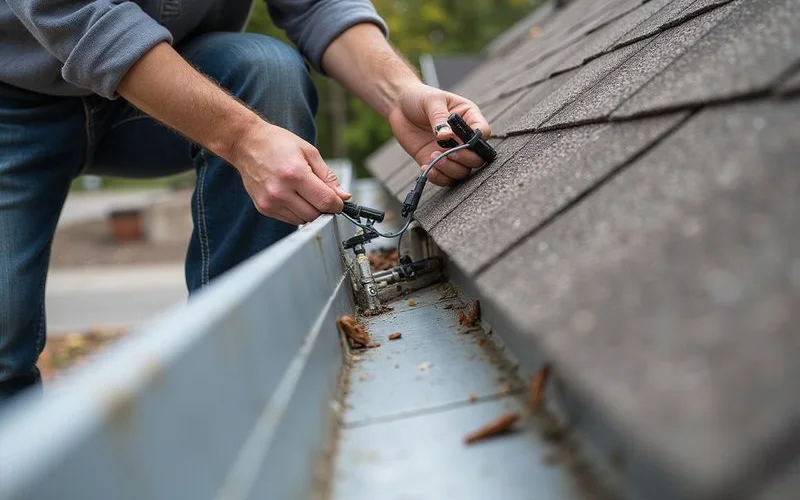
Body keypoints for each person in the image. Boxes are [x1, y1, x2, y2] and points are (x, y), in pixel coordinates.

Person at [0, 0, 491, 403]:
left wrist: (399, 92)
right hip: (12, 99)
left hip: (173, 78)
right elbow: (77, 16)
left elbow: (318, 5)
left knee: (266, 72)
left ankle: (241, 385)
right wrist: (242, 138)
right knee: (5, 338)